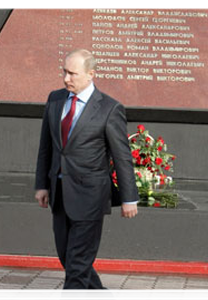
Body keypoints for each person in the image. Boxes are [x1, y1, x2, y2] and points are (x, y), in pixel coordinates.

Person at [35, 49, 139, 300]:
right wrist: (42, 185)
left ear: (91, 74)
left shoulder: (110, 109)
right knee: (68, 258)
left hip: (91, 197)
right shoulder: (55, 99)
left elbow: (121, 156)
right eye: (64, 71)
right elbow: (46, 146)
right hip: (59, 195)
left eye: (73, 73)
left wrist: (129, 198)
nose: (66, 78)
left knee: (78, 263)